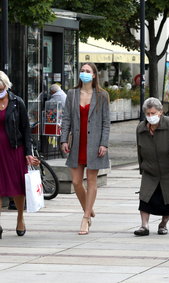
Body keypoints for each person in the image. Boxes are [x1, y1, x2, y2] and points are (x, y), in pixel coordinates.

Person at [60, 63, 110, 235]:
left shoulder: (102, 96)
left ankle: (86, 218)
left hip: (95, 144)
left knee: (91, 180)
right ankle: (88, 208)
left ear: (94, 75)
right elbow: (66, 118)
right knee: (75, 181)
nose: (84, 73)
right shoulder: (72, 94)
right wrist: (63, 139)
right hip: (76, 143)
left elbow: (106, 123)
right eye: (82, 71)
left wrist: (104, 143)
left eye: (88, 71)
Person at [134, 97, 169, 236]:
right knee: (145, 198)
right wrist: (142, 166)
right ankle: (144, 226)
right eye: (147, 114)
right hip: (150, 168)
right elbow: (139, 149)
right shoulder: (141, 128)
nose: (150, 116)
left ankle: (163, 224)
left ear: (160, 112)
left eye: (153, 113)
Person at [0, 71, 39, 238]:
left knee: (17, 187)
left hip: (14, 149)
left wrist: (28, 152)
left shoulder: (17, 102)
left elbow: (26, 129)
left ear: (4, 84)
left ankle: (20, 217)